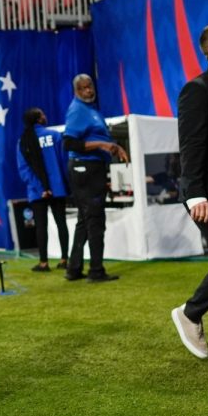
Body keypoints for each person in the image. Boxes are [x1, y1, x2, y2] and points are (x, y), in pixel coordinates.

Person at [171, 23, 208, 359]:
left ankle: (192, 312)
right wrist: (195, 193)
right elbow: (192, 145)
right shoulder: (197, 89)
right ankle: (190, 313)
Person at [62, 74, 128, 283]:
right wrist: (102, 146)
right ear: (76, 91)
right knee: (95, 220)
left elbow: (98, 138)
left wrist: (113, 146)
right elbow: (69, 143)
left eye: (90, 86)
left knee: (85, 220)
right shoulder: (77, 110)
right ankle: (96, 271)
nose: (88, 91)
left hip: (92, 168)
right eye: (83, 88)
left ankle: (74, 269)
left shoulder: (91, 111)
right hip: (85, 169)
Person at [16, 108, 70, 272]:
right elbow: (64, 162)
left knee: (41, 226)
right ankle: (64, 260)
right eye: (43, 114)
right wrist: (61, 185)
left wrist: (41, 188)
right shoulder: (54, 136)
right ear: (39, 119)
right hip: (58, 188)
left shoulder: (22, 141)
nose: (46, 116)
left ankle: (43, 263)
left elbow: (23, 169)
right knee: (61, 223)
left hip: (36, 191)